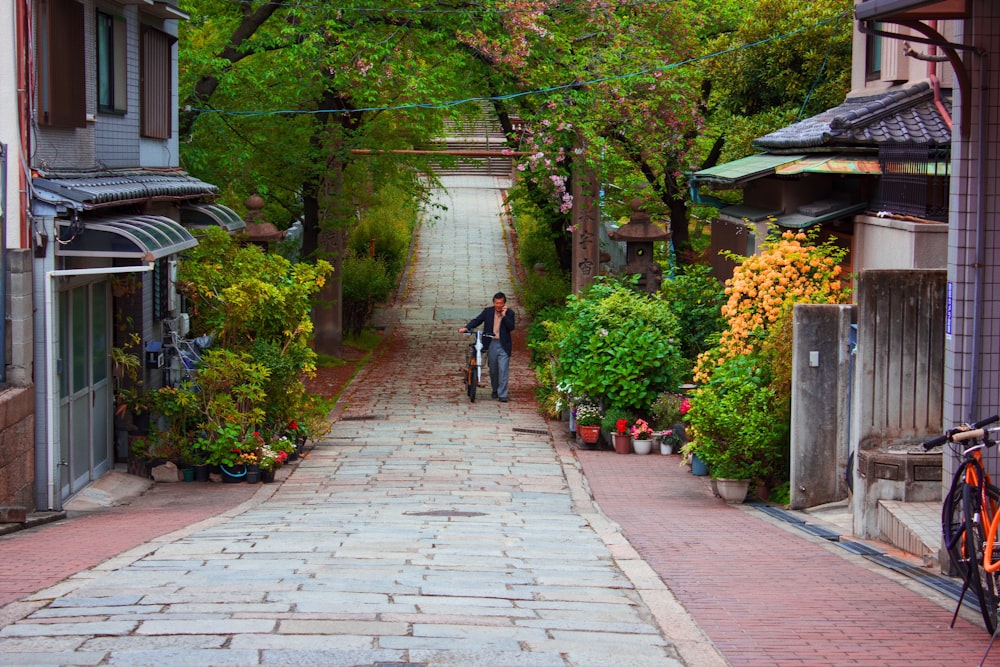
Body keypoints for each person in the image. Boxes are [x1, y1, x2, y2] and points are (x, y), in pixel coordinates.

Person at [459, 292, 516, 402]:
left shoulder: (510, 313)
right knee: (493, 369)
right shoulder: (488, 312)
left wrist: (504, 316)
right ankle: (495, 389)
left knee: (503, 369)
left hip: (504, 344)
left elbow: (511, 327)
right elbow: (477, 320)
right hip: (491, 343)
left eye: (501, 303)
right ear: (493, 303)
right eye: (496, 303)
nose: (499, 305)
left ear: (504, 303)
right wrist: (467, 328)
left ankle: (502, 394)